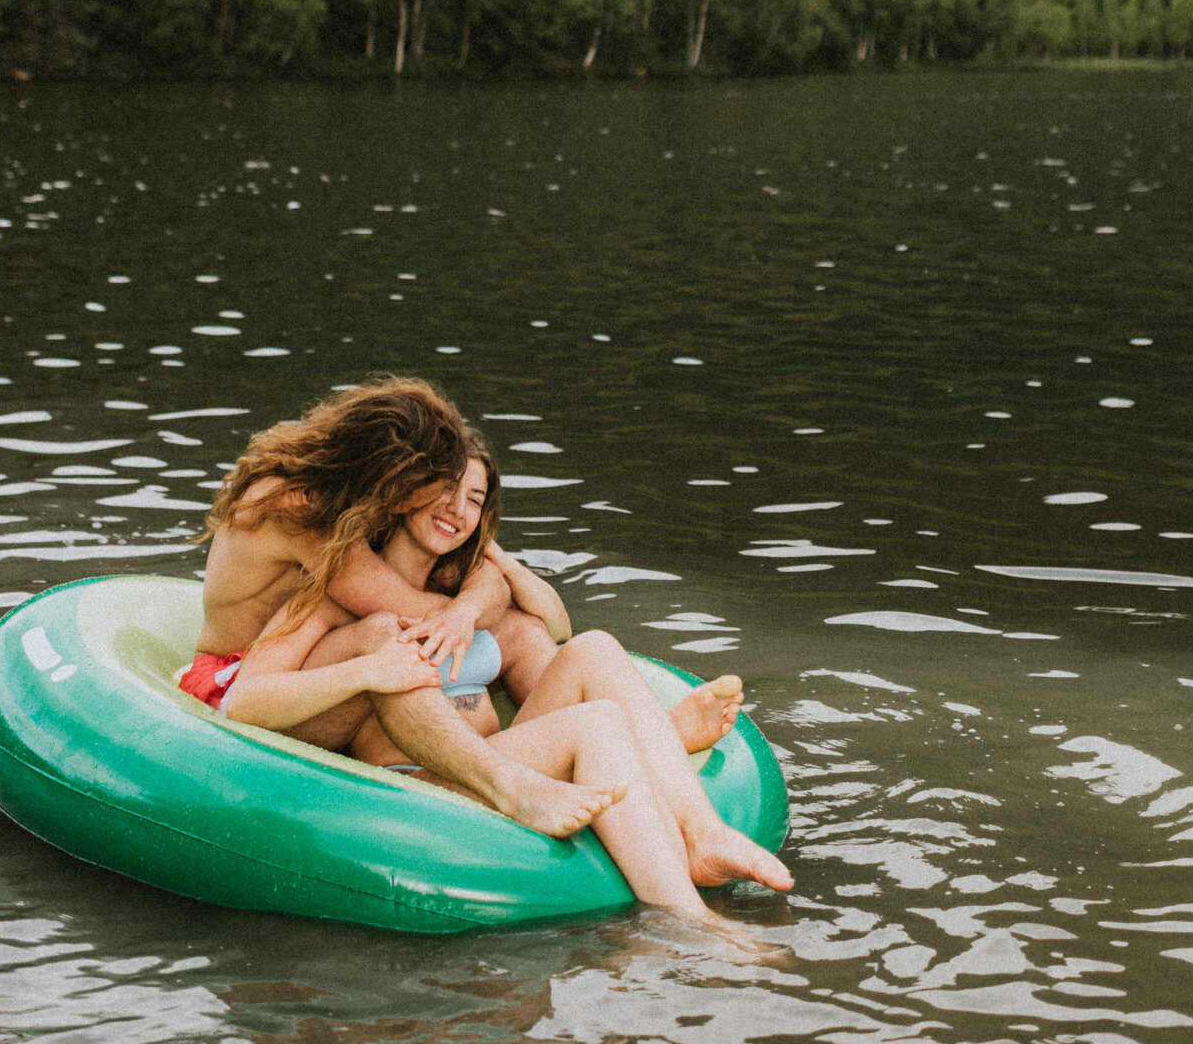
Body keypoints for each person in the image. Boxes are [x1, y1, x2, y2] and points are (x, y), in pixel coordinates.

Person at [186, 376, 791, 925]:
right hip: (398, 771)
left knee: (596, 655)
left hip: (459, 749)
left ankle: (700, 847)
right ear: (399, 492)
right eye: (438, 488)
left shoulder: (428, 566)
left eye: (472, 499)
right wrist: (388, 658)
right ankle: (673, 888)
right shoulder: (320, 561)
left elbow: (542, 617)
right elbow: (253, 693)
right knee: (397, 639)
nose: (454, 507)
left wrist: (472, 597)